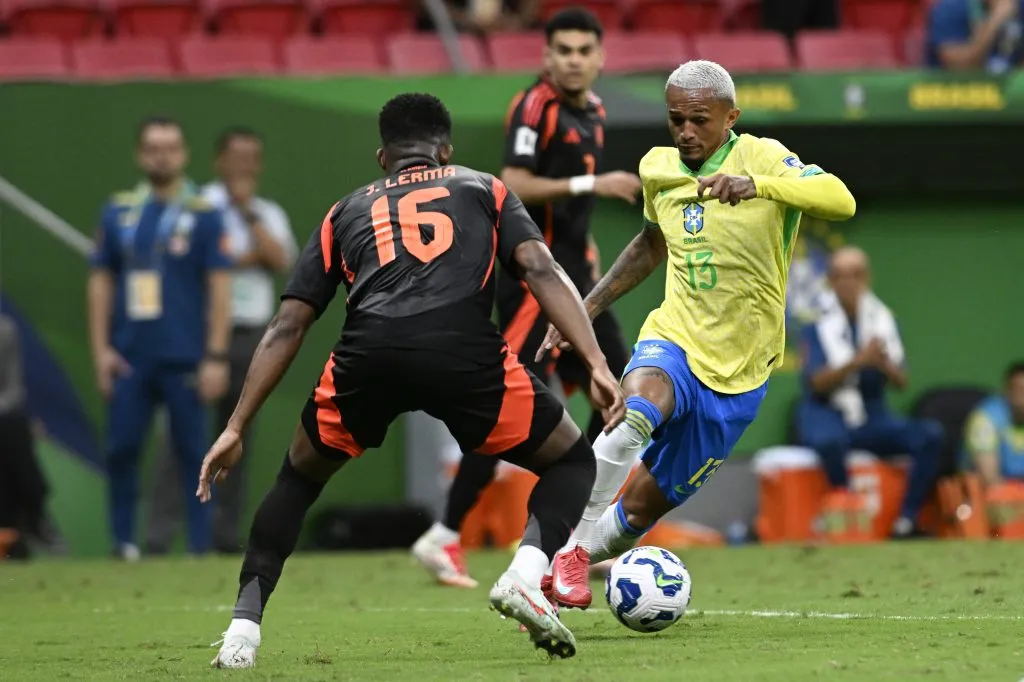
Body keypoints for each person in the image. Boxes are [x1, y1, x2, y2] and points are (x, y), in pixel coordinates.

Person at [198, 93, 625, 668]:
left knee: (297, 480)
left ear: (383, 156)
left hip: (367, 357)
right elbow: (541, 268)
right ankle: (526, 574)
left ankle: (242, 632)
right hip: (462, 352)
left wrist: (235, 424)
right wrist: (596, 362)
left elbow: (289, 323)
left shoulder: (343, 212)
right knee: (573, 461)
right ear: (444, 151)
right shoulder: (484, 187)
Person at [537, 59, 857, 609]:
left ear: (730, 117)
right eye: (675, 119)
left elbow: (841, 200)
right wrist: (583, 311)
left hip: (743, 368)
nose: (686, 131)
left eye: (699, 120)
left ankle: (574, 561)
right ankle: (555, 557)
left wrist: (758, 186)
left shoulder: (763, 156)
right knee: (638, 407)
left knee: (639, 510)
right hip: (675, 337)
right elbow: (649, 243)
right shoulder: (659, 168)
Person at [411, 6, 638, 590]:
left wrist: (588, 271)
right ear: (546, 56)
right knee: (507, 409)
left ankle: (563, 527)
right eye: (563, 50)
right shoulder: (535, 105)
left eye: (584, 51)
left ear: (599, 57)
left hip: (577, 281)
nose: (573, 60)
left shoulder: (596, 111)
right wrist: (595, 183)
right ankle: (446, 533)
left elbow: (574, 222)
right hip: (535, 285)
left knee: (620, 389)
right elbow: (514, 179)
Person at [145, 127, 296, 555]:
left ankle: (224, 540)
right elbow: (198, 266)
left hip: (252, 338)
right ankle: (159, 540)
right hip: (201, 336)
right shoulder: (197, 207)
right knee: (179, 439)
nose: (243, 166)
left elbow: (279, 259)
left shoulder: (267, 212)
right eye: (236, 156)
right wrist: (241, 259)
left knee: (236, 440)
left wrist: (246, 212)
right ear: (218, 161)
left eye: (252, 157)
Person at [88, 116, 232, 560]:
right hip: (130, 355)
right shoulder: (119, 212)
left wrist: (216, 355)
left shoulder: (205, 216)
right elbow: (100, 281)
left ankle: (198, 545)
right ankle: (123, 543)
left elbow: (220, 287)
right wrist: (100, 350)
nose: (161, 156)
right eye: (153, 148)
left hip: (186, 355)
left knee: (195, 453)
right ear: (139, 154)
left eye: (170, 147)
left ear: (184, 154)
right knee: (122, 449)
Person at [796, 247, 943, 539]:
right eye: (839, 275)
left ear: (867, 278)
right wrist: (857, 361)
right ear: (830, 280)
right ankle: (848, 512)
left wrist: (883, 362)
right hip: (827, 411)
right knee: (829, 440)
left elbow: (902, 383)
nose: (848, 282)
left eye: (855, 274)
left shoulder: (883, 319)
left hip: (871, 413)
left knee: (930, 435)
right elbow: (815, 383)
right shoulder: (816, 323)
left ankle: (907, 519)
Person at [0, 313, 51, 559]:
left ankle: (28, 524)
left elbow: (13, 390)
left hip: (6, 420)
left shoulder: (5, 330)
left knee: (14, 434)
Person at [964, 362, 1024, 486]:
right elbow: (991, 482)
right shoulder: (984, 420)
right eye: (1022, 391)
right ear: (1008, 392)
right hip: (989, 499)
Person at [927, 0, 1023, 72]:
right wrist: (995, 19)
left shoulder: (1019, 6)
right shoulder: (951, 8)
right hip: (959, 92)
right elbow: (958, 65)